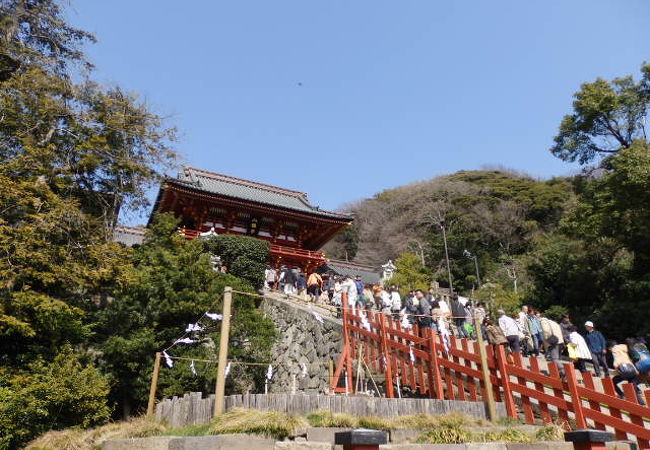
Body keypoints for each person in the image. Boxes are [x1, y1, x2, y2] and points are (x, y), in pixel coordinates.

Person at [609, 340, 645, 405]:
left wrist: (615, 370)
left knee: (613, 381)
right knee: (632, 386)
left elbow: (617, 361)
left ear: (610, 347)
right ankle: (642, 402)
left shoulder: (614, 350)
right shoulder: (625, 347)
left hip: (624, 371)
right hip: (632, 370)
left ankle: (622, 395)